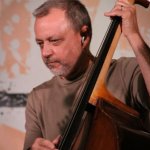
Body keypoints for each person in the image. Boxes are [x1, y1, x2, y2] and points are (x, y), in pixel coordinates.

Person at [24, 0, 150, 149]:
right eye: (40, 43)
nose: (45, 52)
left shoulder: (125, 71)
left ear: (84, 36)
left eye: (54, 41)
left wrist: (134, 36)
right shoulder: (38, 97)